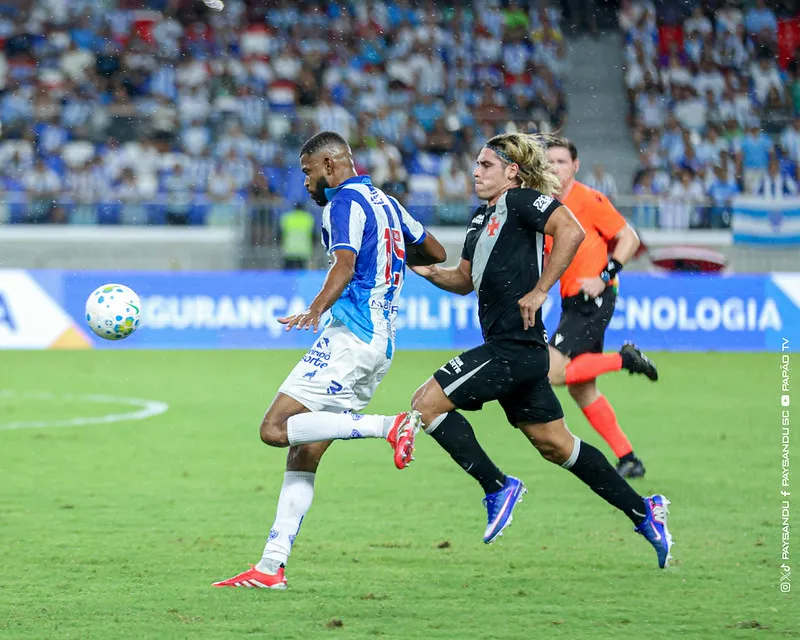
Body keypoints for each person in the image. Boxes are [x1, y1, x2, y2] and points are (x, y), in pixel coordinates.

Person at [353, 133, 673, 568]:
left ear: (512, 171)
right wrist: (420, 267)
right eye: (476, 164)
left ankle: (497, 486)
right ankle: (644, 510)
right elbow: (464, 280)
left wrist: (542, 290)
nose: (476, 172)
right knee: (556, 445)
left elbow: (572, 230)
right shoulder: (479, 220)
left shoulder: (522, 202)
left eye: (486, 164)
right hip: (517, 351)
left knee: (425, 404)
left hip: (513, 348)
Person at [213, 131, 447, 589]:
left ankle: (390, 426)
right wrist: (395, 256)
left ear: (329, 164)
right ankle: (270, 566)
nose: (304, 182)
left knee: (274, 429)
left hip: (350, 338)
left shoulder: (342, 203)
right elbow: (436, 253)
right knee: (303, 452)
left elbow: (343, 263)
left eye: (307, 171)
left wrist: (316, 308)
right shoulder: (386, 202)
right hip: (378, 344)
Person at [544, 136, 657, 479]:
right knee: (582, 387)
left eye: (561, 161)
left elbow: (630, 238)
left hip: (594, 297)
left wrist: (604, 275)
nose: (554, 167)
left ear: (575, 166)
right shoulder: (546, 205)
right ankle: (629, 459)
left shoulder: (588, 199)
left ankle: (626, 359)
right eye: (549, 162)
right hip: (571, 302)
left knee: (552, 373)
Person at [278, 203, 315, 270]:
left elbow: (280, 234)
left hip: (289, 249)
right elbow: (313, 235)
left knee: (287, 272)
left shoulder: (287, 217)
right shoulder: (308, 218)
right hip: (303, 250)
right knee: (302, 272)